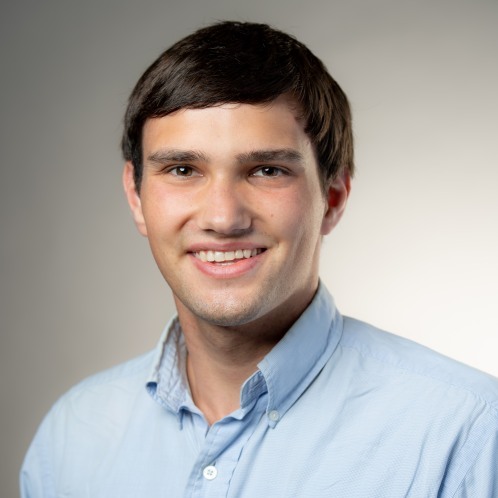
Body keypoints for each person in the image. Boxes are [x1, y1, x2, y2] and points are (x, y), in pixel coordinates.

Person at [20, 21, 498, 497]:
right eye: (183, 169)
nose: (223, 218)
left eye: (267, 170)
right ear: (135, 194)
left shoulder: (467, 434)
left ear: (332, 196)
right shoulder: (71, 439)